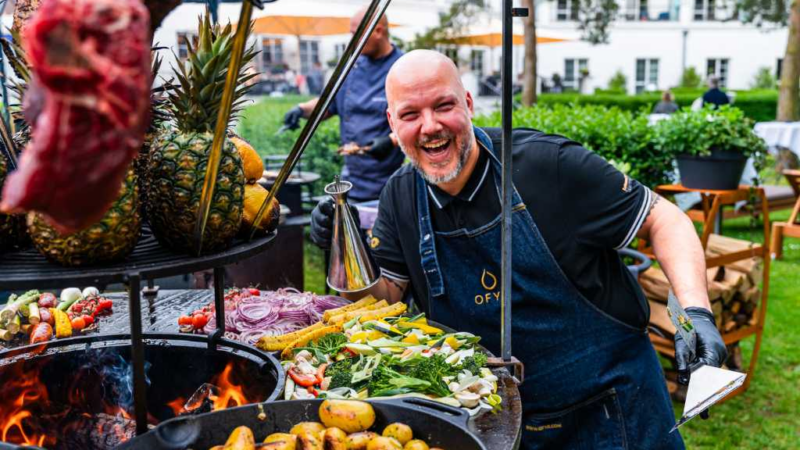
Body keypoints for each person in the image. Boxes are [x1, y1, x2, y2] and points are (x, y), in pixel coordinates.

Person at [310, 50, 727, 449]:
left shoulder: (547, 165)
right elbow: (383, 300)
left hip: (610, 412)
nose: (430, 126)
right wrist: (345, 254)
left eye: (443, 106)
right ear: (391, 123)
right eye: (410, 114)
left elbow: (663, 217)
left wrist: (696, 314)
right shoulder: (400, 196)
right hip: (494, 421)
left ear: (469, 104)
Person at [282, 7, 404, 202]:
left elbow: (415, 120)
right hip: (352, 180)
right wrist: (301, 109)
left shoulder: (403, 68)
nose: (352, 41)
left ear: (378, 31)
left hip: (389, 183)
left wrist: (392, 140)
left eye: (357, 34)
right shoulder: (351, 66)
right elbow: (328, 106)